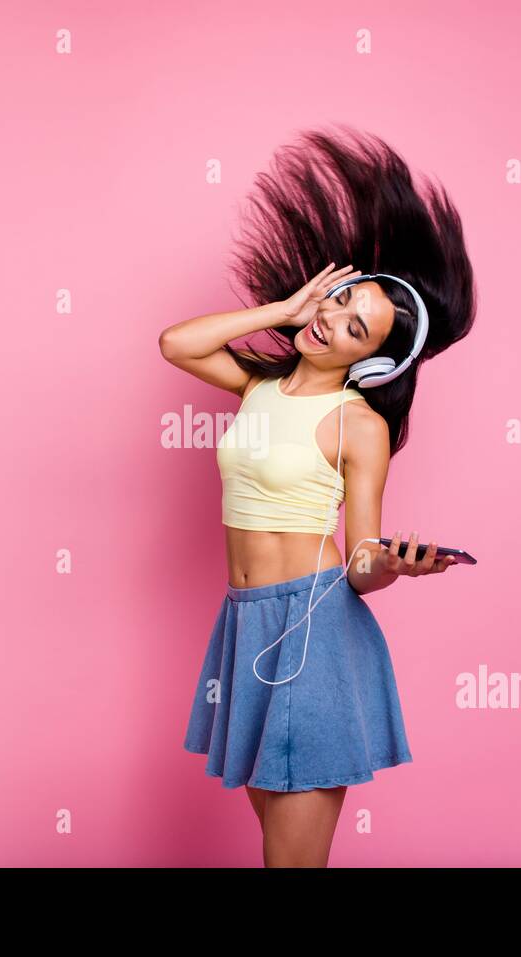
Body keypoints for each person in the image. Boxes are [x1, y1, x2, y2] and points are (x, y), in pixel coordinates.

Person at [159, 126, 477, 867]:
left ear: (375, 359)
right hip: (242, 627)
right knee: (281, 852)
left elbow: (362, 558)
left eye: (354, 326)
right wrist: (284, 308)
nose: (331, 320)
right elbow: (177, 343)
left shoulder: (357, 423)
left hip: (312, 633)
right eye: (337, 302)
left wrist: (396, 565)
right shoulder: (259, 386)